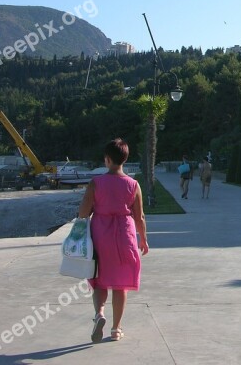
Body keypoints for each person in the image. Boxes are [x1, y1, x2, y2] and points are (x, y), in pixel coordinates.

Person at [78, 138, 149, 343]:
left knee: (99, 279)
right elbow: (140, 217)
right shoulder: (133, 185)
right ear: (124, 160)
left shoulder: (96, 183)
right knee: (121, 283)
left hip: (101, 235)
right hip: (124, 236)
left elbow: (84, 212)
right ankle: (116, 329)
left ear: (107, 160)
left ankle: (99, 313)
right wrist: (143, 239)